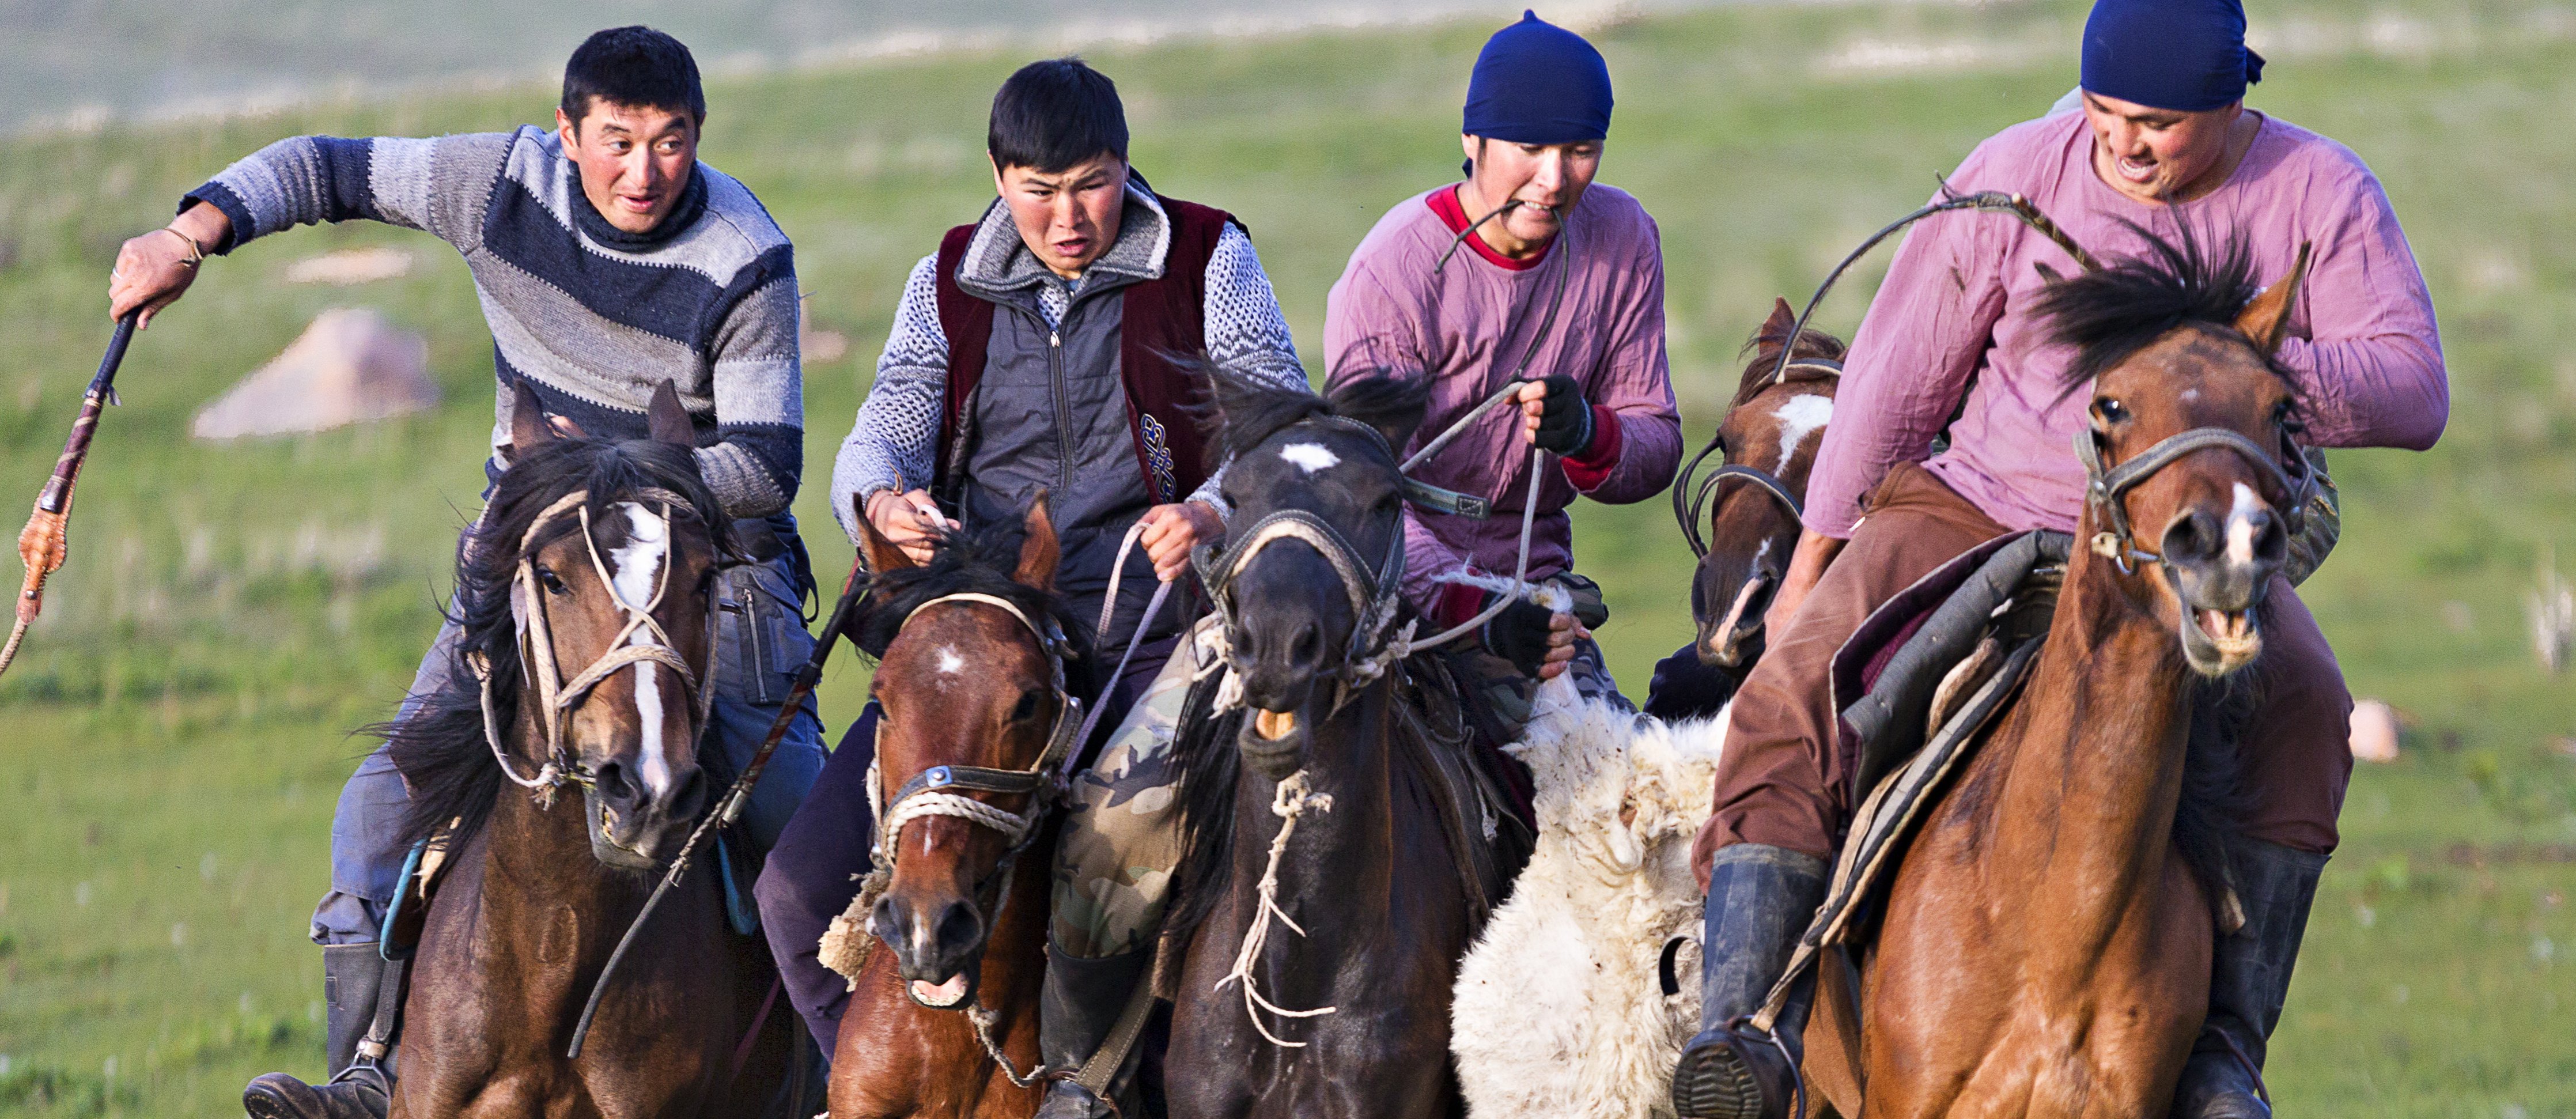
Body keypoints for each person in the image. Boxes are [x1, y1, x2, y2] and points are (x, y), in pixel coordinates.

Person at [1670, 0, 2451, 1115]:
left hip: (2171, 546)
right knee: (1789, 700)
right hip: (1975, 508)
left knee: (2308, 706)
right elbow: (1892, 390)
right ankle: (1745, 1032)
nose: (2122, 144)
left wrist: (2231, 380)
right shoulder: (2015, 174)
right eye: (2103, 113)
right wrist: (1811, 575)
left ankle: (2225, 1051)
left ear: (2233, 101)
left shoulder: (2319, 190)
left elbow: (2415, 388)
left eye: (2157, 124)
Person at [104, 27, 827, 1119]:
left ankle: (843, 1075)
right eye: (618, 141)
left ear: (699, 137)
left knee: (803, 828)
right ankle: (366, 1073)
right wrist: (189, 235)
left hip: (701, 571)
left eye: (671, 142)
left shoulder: (742, 251)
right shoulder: (498, 184)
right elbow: (328, 169)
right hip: (538, 569)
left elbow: (767, 466)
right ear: (567, 132)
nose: (644, 171)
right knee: (374, 816)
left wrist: (612, 487)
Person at [748, 57, 1307, 1119]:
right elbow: (887, 421)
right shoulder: (947, 278)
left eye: (1090, 184)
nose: (1066, 217)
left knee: (1118, 880)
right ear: (999, 177)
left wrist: (1210, 511)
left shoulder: (1206, 256)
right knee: (792, 890)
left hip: (1154, 636)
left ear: (1125, 168)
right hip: (986, 636)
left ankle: (1092, 1094)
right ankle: (873, 1083)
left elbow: (1275, 419)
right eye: (1038, 190)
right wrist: (875, 504)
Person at [1322, 10, 1683, 729]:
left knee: (1632, 810)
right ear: (1472, 140)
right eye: (1529, 147)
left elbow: (1658, 442)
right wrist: (1476, 609)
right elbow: (1361, 492)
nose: (1554, 180)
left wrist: (1591, 433)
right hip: (1394, 586)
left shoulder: (1625, 236)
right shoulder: (1393, 271)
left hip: (1540, 594)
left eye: (1581, 150)